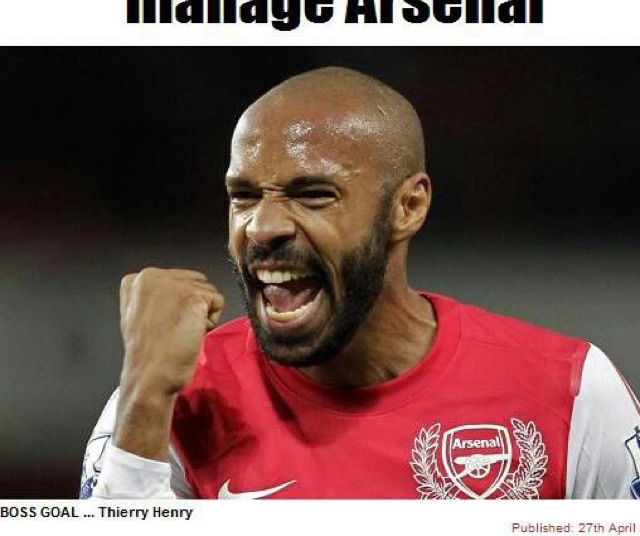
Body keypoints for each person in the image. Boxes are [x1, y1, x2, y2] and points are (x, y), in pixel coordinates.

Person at [81, 67, 640, 500]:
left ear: (408, 207)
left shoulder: (569, 390)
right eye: (244, 197)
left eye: (312, 195)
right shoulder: (171, 396)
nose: (263, 227)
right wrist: (145, 397)